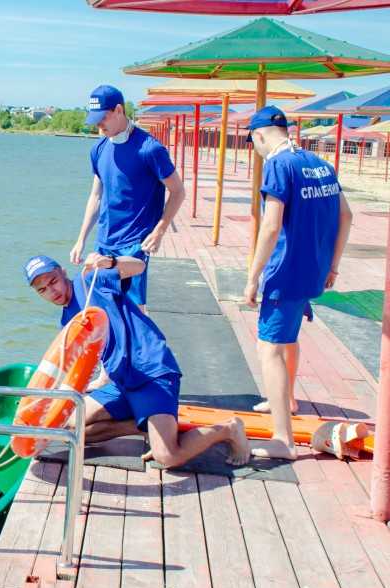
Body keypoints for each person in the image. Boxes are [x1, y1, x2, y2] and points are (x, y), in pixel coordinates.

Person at [24, 253, 250, 467]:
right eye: (42, 290)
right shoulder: (68, 320)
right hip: (122, 382)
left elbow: (138, 266)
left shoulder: (90, 279)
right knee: (73, 425)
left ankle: (228, 429)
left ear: (63, 272)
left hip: (151, 372)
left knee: (168, 457)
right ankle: (141, 427)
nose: (51, 291)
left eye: (53, 281)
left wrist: (109, 261)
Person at [242, 106, 353, 460]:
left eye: (253, 143)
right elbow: (346, 215)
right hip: (314, 269)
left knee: (269, 347)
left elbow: (271, 226)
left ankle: (282, 439)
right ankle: (287, 400)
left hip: (286, 271)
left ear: (259, 136)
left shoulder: (278, 165)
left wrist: (253, 276)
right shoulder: (319, 163)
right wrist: (332, 265)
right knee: (288, 338)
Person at [70, 84, 185, 311]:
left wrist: (159, 231)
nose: (99, 125)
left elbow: (178, 191)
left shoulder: (150, 149)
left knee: (133, 309)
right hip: (104, 241)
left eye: (103, 118)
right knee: (100, 306)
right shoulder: (98, 150)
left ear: (119, 110)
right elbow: (96, 196)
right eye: (95, 119)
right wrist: (81, 238)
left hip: (134, 243)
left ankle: (140, 346)